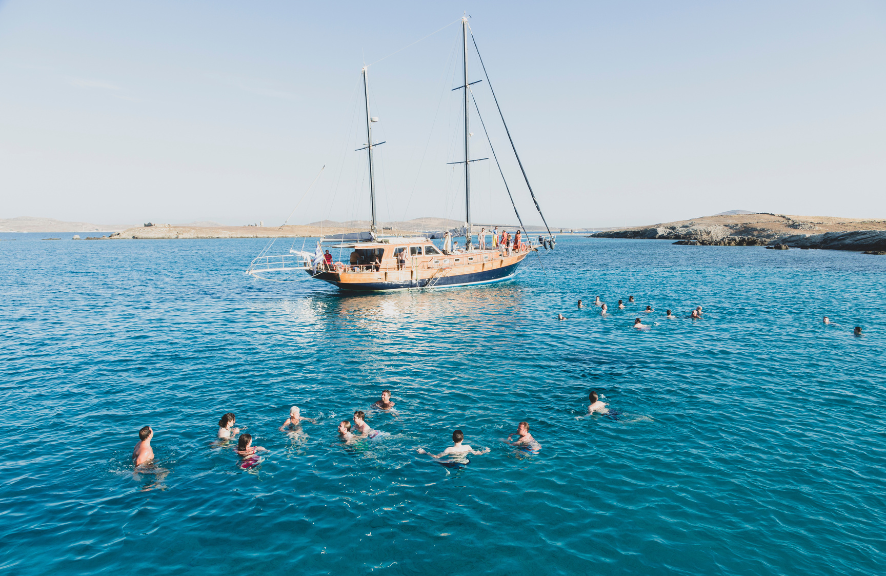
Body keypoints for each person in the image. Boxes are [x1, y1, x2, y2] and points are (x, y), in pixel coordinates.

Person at [417, 430, 490, 458]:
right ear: (462, 439)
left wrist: (425, 452)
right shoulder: (467, 447)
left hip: (452, 463)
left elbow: (437, 456)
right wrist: (485, 451)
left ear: (452, 439)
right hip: (464, 463)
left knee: (435, 460)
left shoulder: (449, 449)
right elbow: (476, 453)